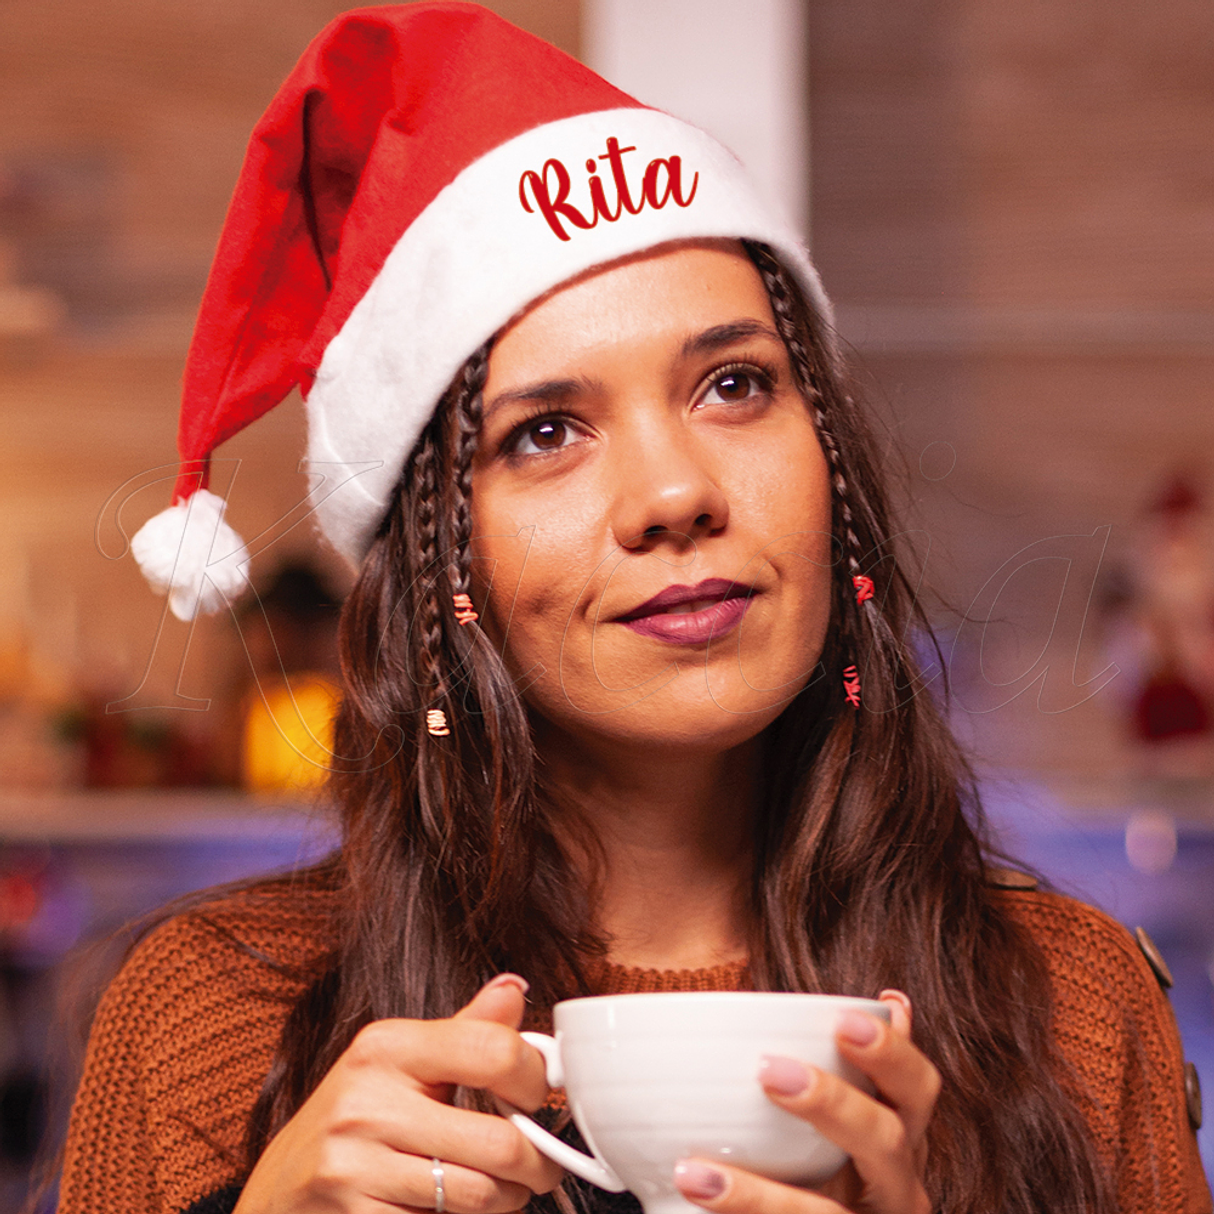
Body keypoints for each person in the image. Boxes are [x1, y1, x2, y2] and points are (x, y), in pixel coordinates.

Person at [57, 6, 1209, 1214]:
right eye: (545, 431)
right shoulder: (210, 1017)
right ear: (441, 561)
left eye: (732, 384)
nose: (673, 493)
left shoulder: (1072, 1006)